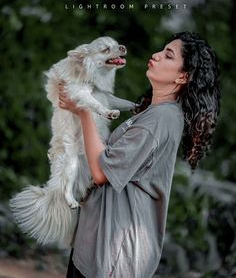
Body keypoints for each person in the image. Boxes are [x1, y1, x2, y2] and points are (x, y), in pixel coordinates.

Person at [58, 31, 220, 278]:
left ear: (183, 76)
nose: (156, 55)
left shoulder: (159, 120)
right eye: (161, 50)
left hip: (114, 254)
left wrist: (84, 111)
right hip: (99, 245)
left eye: (168, 56)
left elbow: (101, 172)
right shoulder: (156, 113)